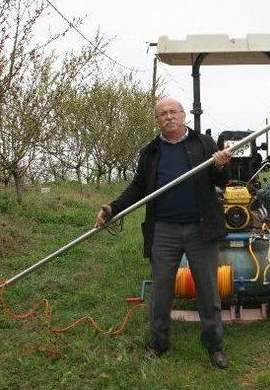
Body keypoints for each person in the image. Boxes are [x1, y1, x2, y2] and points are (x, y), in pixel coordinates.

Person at [95, 97, 232, 368]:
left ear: (183, 116)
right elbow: (138, 187)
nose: (168, 117)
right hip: (164, 230)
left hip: (200, 229)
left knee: (208, 291)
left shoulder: (204, 144)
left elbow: (221, 183)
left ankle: (214, 346)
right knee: (160, 292)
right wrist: (112, 207)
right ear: (157, 120)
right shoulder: (151, 151)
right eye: (162, 114)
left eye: (173, 112)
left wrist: (220, 164)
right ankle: (158, 344)